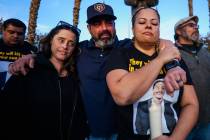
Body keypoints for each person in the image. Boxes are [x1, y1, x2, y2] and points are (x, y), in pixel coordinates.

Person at [8, 3, 187, 140]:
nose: (104, 29)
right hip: (92, 132)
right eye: (96, 23)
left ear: (114, 25)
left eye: (108, 22)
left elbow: (160, 41)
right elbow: (56, 52)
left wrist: (172, 64)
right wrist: (30, 57)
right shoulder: (79, 50)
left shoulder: (126, 47)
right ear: (89, 29)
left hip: (124, 132)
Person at [106, 7, 199, 140]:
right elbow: (122, 96)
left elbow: (191, 104)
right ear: (133, 29)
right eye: (142, 22)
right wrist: (161, 59)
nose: (149, 25)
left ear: (159, 29)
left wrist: (175, 138)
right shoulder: (120, 54)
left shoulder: (174, 58)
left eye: (154, 23)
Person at [0, 23, 88, 140]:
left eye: (71, 43)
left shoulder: (75, 73)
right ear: (51, 40)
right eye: (61, 40)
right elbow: (7, 113)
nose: (65, 46)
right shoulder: (28, 69)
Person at [174, 15, 210, 140]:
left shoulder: (204, 51)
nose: (195, 28)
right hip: (182, 125)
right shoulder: (173, 54)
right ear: (178, 31)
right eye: (191, 25)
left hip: (206, 122)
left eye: (196, 26)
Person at [0, 18, 37, 91]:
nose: (16, 36)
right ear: (3, 31)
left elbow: (43, 57)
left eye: (20, 34)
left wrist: (34, 56)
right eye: (11, 32)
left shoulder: (30, 48)